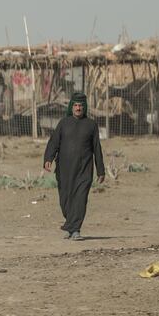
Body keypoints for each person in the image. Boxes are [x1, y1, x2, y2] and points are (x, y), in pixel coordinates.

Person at [43, 92, 105, 240]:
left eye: (81, 106)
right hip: (64, 170)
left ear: (84, 107)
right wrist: (48, 158)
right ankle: (70, 226)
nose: (78, 108)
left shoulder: (91, 125)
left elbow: (97, 148)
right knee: (66, 199)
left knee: (80, 198)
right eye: (76, 105)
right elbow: (53, 142)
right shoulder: (64, 123)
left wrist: (100, 170)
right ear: (71, 107)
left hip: (84, 169)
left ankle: (75, 229)